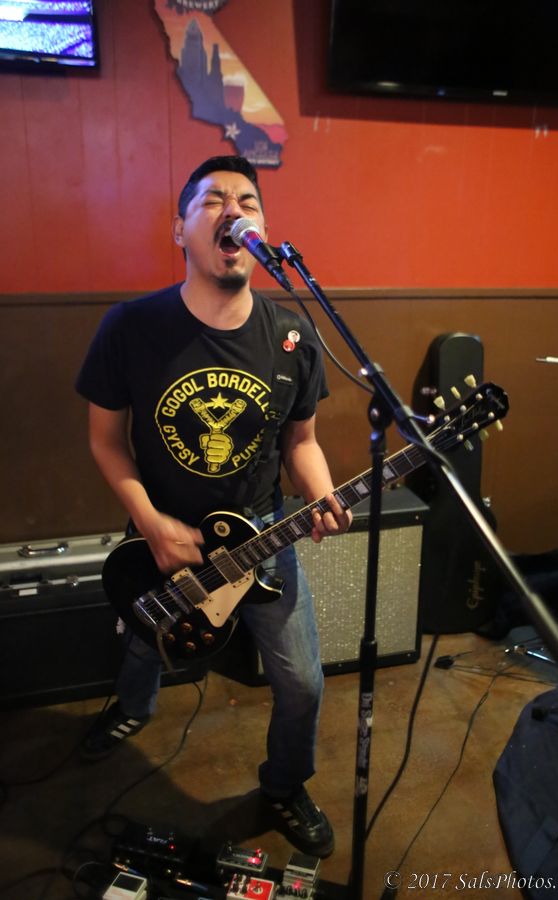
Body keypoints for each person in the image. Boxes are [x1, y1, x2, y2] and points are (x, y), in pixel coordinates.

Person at [75, 155, 352, 859]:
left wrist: (321, 493)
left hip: (261, 536)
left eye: (248, 201)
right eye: (213, 200)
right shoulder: (130, 326)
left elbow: (302, 443)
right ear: (180, 229)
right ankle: (132, 708)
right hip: (159, 535)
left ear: (262, 230)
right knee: (144, 636)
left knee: (302, 684)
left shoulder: (292, 336)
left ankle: (284, 786)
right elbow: (105, 441)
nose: (234, 210)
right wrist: (151, 525)